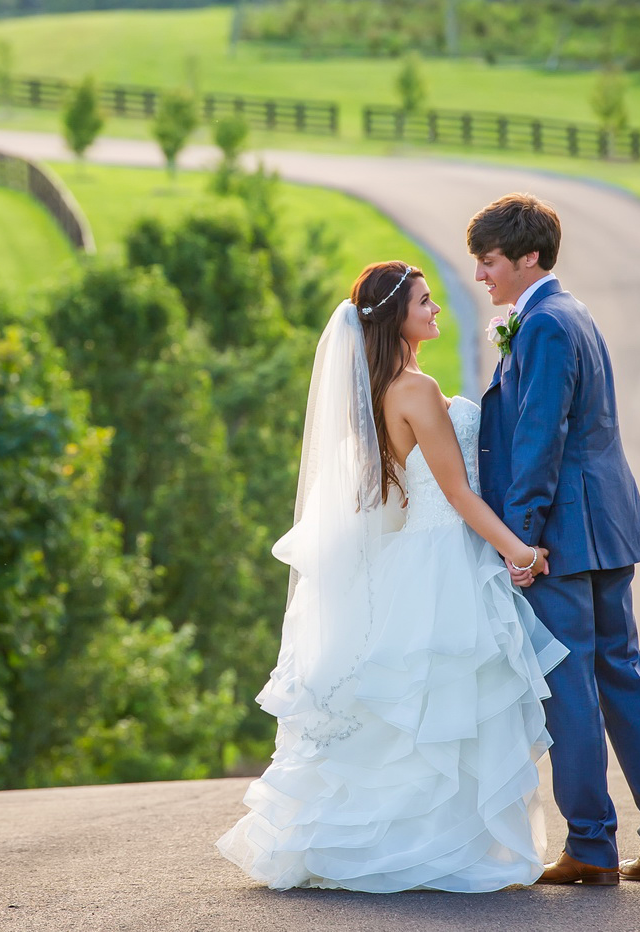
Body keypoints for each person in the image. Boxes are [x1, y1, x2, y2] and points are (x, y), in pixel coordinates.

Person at [215, 261, 568, 892]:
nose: (436, 310)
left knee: (418, 710)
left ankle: (409, 844)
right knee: (440, 707)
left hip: (417, 553)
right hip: (440, 559)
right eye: (425, 302)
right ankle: (432, 849)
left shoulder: (381, 389)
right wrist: (519, 550)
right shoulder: (414, 389)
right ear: (396, 317)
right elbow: (457, 493)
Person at [470, 192, 640, 885]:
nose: (481, 276)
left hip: (563, 536)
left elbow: (542, 436)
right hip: (606, 526)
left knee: (569, 687)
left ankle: (592, 848)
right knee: (623, 677)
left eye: (488, 262)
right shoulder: (570, 312)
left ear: (527, 256)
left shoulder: (541, 325)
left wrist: (523, 539)